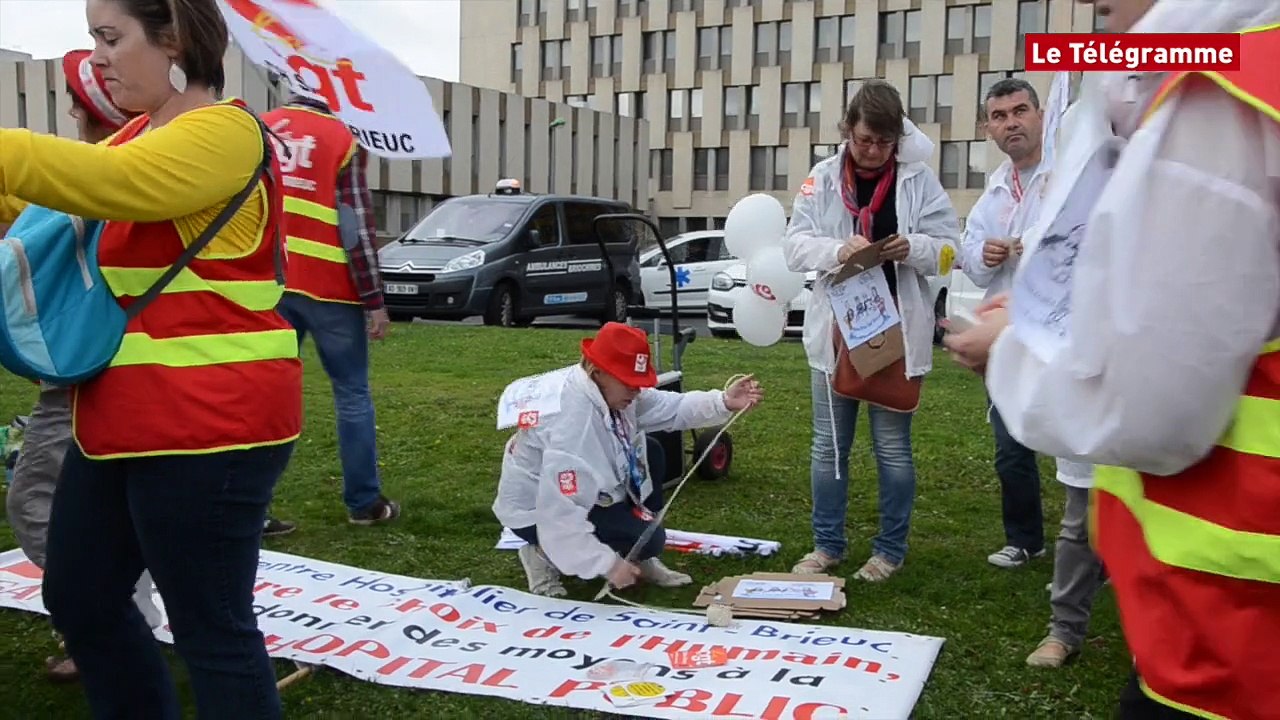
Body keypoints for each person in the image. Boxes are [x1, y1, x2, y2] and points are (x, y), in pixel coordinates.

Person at [945, 0, 1280, 715]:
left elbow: (1151, 406)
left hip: (1232, 634)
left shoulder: (1214, 84)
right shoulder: (1221, 68)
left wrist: (1010, 352)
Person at [0, 0, 303, 717]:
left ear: (174, 37)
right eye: (92, 40)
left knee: (212, 628)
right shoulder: (135, 137)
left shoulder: (225, 133)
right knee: (79, 594)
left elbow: (116, 189)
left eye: (110, 38)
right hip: (118, 421)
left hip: (213, 427)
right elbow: (45, 208)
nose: (97, 58)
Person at [1, 48, 163, 685]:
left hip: (85, 379)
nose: (69, 107)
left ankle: (107, 619)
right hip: (119, 375)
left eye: (79, 96)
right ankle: (118, 614)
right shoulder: (120, 171)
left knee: (37, 501)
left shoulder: (98, 178)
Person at [783, 80, 961, 582]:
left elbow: (952, 247)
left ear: (897, 140)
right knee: (828, 448)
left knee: (892, 449)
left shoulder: (918, 180)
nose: (872, 152)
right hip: (837, 333)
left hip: (893, 334)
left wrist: (917, 247)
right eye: (863, 141)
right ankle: (827, 546)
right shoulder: (821, 178)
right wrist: (837, 250)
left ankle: (889, 550)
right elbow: (795, 246)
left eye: (883, 143)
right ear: (848, 131)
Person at [493, 322, 763, 597]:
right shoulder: (572, 426)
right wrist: (608, 565)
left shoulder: (610, 390)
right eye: (629, 383)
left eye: (639, 383)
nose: (636, 391)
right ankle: (539, 552)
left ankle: (635, 553)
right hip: (537, 509)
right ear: (598, 372)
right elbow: (560, 514)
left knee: (654, 453)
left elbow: (668, 407)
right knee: (649, 540)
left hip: (587, 489)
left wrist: (723, 402)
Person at [259, 93, 398, 532]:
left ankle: (252, 507)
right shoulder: (344, 137)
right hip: (331, 288)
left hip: (271, 283)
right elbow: (356, 225)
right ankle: (363, 503)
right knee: (352, 394)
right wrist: (374, 300)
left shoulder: (258, 127)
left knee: (263, 395)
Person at [960, 77, 1056, 569]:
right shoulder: (993, 194)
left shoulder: (1065, 174)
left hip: (1063, 331)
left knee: (1076, 446)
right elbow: (971, 262)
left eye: (1020, 111)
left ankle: (1095, 556)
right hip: (1008, 337)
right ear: (988, 129)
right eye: (999, 116)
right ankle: (1025, 539)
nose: (1011, 122)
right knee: (1010, 445)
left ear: (1039, 116)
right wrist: (986, 251)